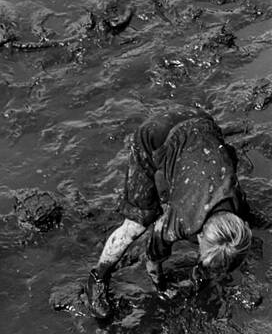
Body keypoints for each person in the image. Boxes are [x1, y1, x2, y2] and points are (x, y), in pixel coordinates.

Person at [87, 108, 252, 322]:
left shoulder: (235, 197)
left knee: (173, 184)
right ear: (199, 236)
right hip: (155, 134)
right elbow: (152, 258)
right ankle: (97, 278)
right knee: (138, 222)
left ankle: (171, 174)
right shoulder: (179, 222)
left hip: (198, 119)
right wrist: (162, 287)